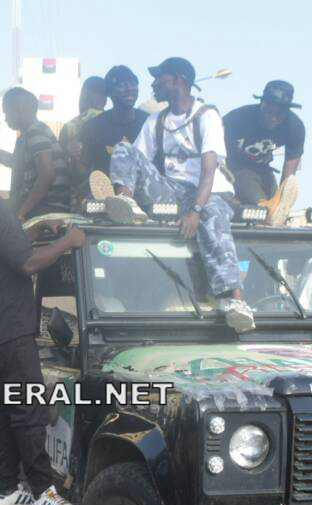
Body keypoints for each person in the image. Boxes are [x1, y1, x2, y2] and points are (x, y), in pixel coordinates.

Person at [0, 146, 85, 505]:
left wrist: (35, 228)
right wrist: (67, 241)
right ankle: (44, 491)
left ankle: (8, 488)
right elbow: (28, 262)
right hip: (10, 329)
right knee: (28, 409)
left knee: (5, 408)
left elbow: (0, 245)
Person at [89, 57, 254, 333]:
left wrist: (195, 212)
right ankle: (125, 202)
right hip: (173, 192)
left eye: (160, 78)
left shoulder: (206, 115)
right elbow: (138, 158)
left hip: (209, 193)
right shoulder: (156, 121)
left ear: (179, 80)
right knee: (123, 149)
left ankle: (235, 301)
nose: (153, 84)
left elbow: (209, 170)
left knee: (213, 218)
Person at [0, 87, 71, 222]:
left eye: (7, 113)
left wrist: (21, 213)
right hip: (42, 207)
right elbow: (13, 161)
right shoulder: (28, 136)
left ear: (21, 110)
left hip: (47, 208)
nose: (5, 119)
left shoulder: (35, 133)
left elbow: (47, 175)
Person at [223, 80, 305, 225]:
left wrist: (282, 195)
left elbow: (289, 176)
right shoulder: (237, 119)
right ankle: (265, 208)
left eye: (279, 114)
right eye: (268, 111)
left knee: (275, 204)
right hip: (233, 168)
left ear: (287, 112)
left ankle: (272, 210)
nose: (273, 117)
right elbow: (213, 153)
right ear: (262, 104)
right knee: (250, 185)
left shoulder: (294, 127)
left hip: (264, 170)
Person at [81, 65, 150, 182]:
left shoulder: (149, 123)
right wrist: (74, 156)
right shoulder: (93, 127)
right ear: (109, 92)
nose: (129, 89)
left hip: (144, 195)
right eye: (122, 85)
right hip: (105, 196)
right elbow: (82, 171)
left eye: (133, 83)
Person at [58, 76, 108, 210]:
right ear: (105, 99)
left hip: (79, 201)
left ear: (85, 94)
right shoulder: (112, 123)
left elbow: (60, 167)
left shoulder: (70, 127)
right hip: (110, 197)